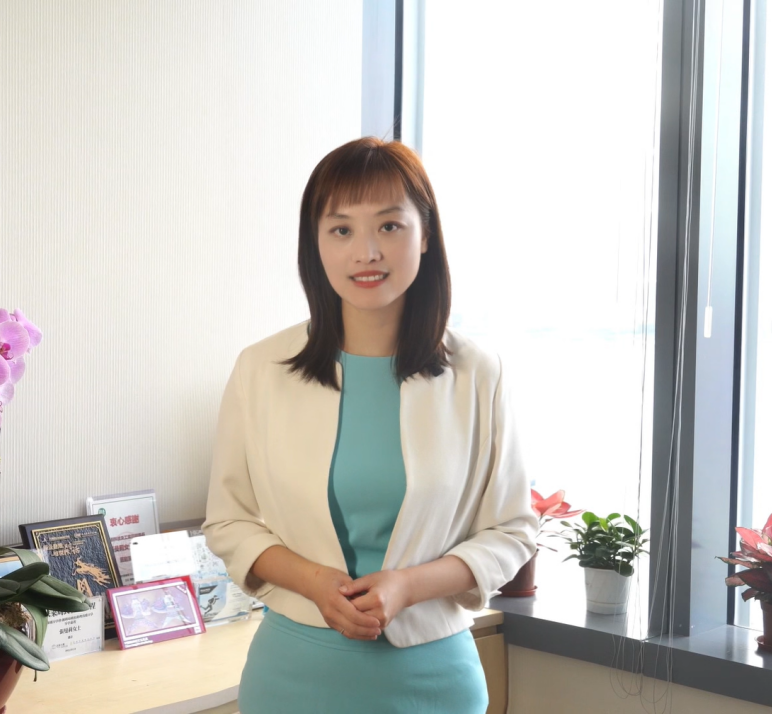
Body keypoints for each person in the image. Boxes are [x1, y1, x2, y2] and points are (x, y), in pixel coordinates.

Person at [203, 137, 537, 713]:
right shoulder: (261, 368)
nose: (366, 252)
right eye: (341, 229)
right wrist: (313, 581)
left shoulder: (478, 373)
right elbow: (229, 521)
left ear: (425, 235)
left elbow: (512, 530)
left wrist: (408, 586)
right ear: (315, 243)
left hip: (434, 681)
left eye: (389, 226)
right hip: (294, 678)